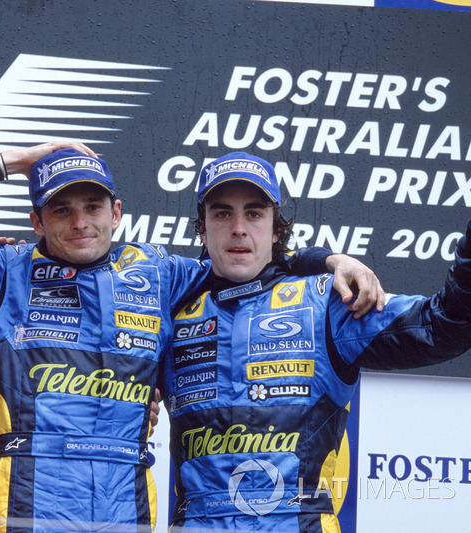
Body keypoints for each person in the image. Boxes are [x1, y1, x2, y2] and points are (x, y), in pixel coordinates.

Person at [0, 147, 383, 532]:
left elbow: (247, 259)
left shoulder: (158, 273)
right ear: (36, 222)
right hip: (30, 503)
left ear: (115, 213)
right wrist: (20, 159)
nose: (80, 222)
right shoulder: (4, 267)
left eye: (92, 206)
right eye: (60, 209)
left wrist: (328, 259)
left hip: (126, 507)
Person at [162, 151, 471, 532]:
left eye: (255, 214)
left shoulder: (327, 301)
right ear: (203, 229)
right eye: (222, 214)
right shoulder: (169, 309)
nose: (239, 228)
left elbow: (443, 328)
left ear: (276, 230)